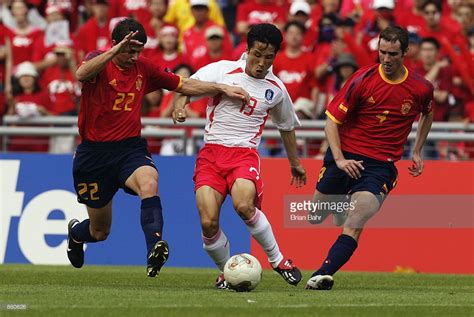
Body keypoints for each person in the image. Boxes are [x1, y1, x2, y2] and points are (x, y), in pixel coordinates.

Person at [66, 18, 250, 278]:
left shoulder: (143, 68)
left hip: (129, 148)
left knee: (150, 182)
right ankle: (75, 234)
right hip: (93, 155)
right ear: (115, 45)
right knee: (100, 232)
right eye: (129, 50)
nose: (134, 56)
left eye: (138, 50)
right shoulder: (98, 61)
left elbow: (183, 84)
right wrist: (114, 52)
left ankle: (155, 248)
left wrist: (220, 88)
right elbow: (80, 75)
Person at [173, 23, 307, 289]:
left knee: (244, 206)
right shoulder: (221, 70)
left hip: (244, 154)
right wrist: (180, 108)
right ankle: (227, 271)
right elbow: (183, 88)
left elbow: (286, 127)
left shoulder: (276, 88)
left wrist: (295, 164)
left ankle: (278, 260)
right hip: (211, 154)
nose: (261, 62)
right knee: (209, 222)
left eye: (268, 58)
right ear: (247, 49)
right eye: (257, 54)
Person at [305, 26, 434, 290]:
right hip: (346, 155)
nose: (386, 59)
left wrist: (418, 150)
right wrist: (340, 160)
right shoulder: (362, 79)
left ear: (406, 53)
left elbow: (427, 113)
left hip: (380, 165)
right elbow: (331, 123)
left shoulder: (421, 88)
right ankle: (339, 204)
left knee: (357, 219)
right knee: (315, 214)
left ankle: (322, 274)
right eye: (382, 52)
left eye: (393, 54)